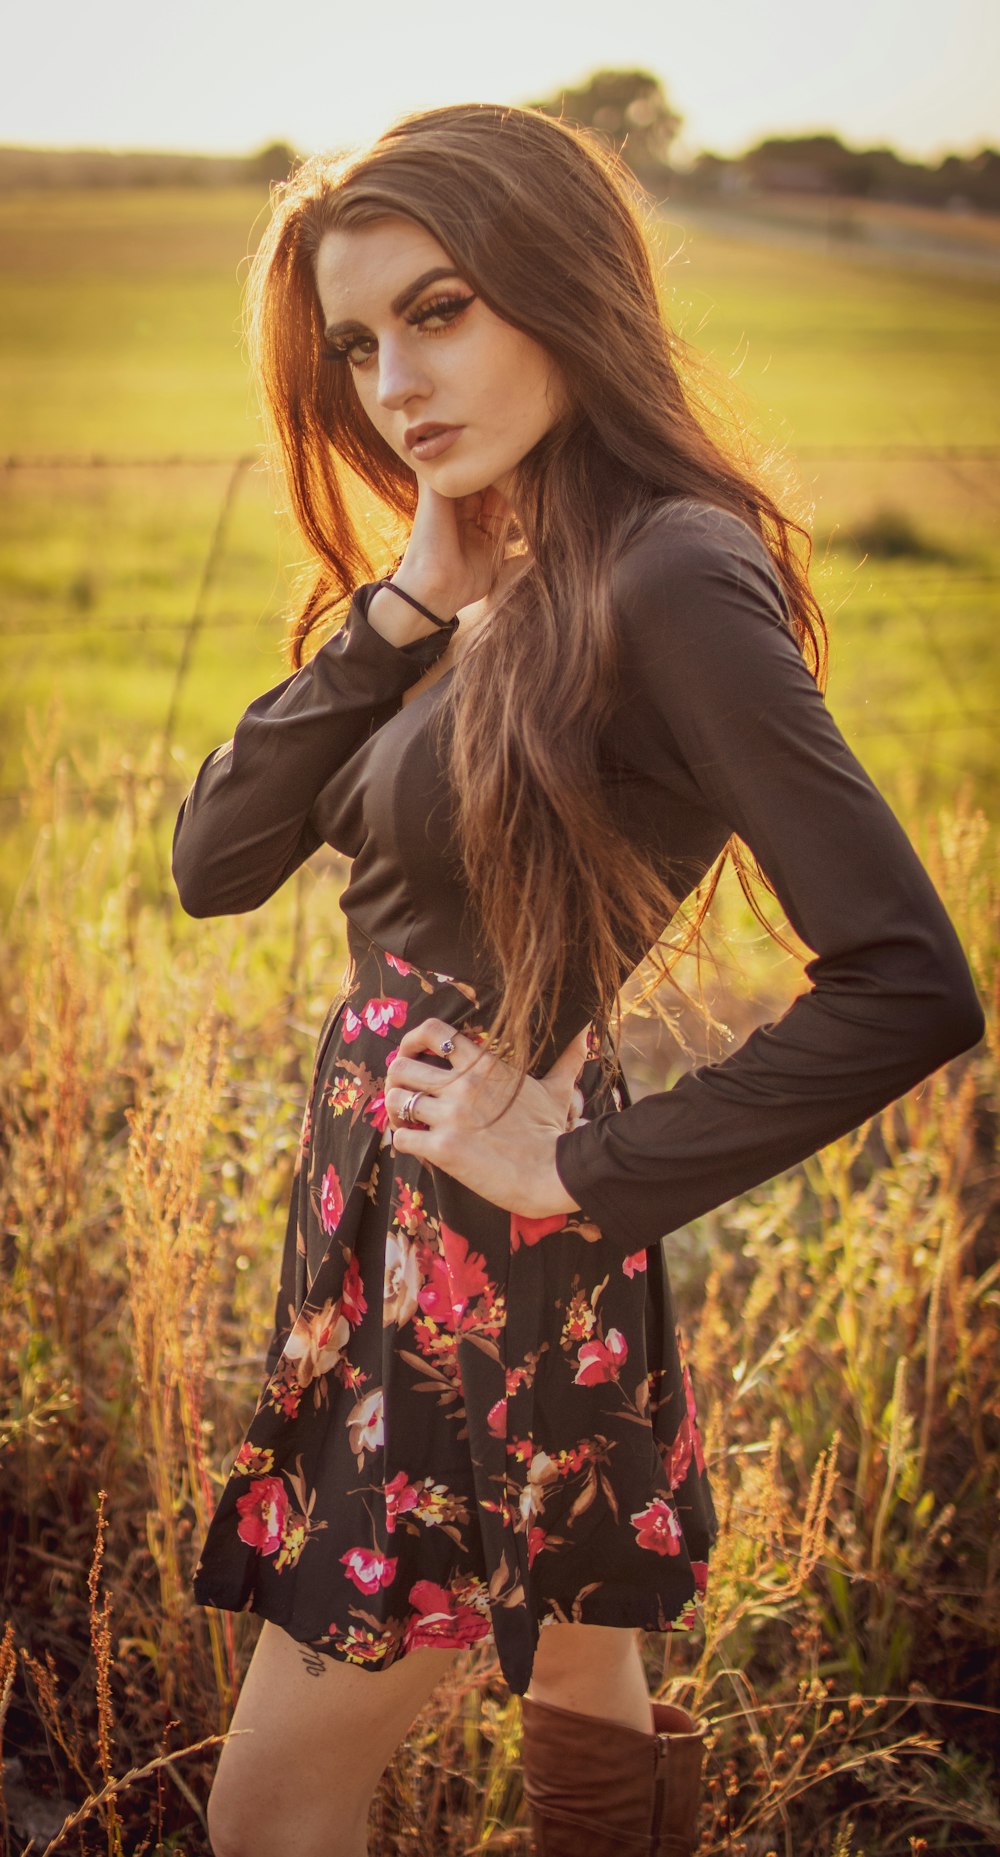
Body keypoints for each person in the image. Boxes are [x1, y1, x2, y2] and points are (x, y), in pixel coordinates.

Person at [171, 102, 985, 1857]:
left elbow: (910, 977)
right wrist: (402, 604)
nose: (395, 381)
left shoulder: (672, 569)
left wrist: (578, 1166)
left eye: (442, 309)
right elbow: (212, 858)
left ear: (565, 287)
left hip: (490, 1250)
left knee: (274, 1797)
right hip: (429, 1219)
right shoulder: (490, 575)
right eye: (361, 344)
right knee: (587, 1705)